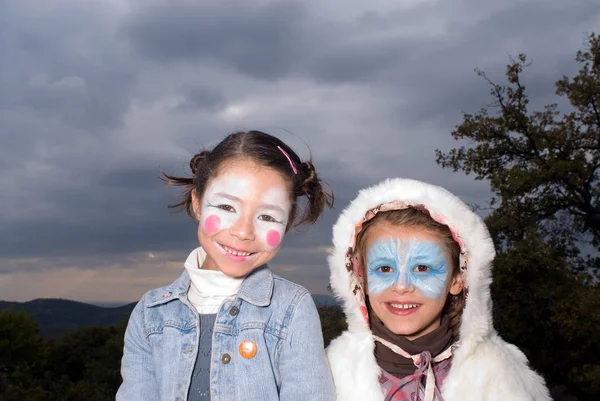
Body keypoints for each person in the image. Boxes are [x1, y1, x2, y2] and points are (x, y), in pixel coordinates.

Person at [116, 130, 336, 401]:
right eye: (227, 207)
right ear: (197, 202)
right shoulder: (150, 314)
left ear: (287, 224)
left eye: (267, 216)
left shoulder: (291, 308)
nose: (244, 232)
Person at [326, 178, 551, 401]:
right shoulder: (332, 374)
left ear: (457, 279)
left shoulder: (499, 378)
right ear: (360, 277)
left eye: (422, 268)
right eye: (384, 268)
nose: (402, 286)